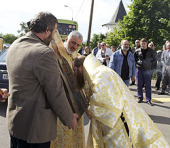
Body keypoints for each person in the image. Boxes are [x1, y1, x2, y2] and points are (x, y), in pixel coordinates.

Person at [6, 12, 78, 148]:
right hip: (35, 130)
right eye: (55, 31)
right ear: (47, 30)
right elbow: (55, 91)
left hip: (15, 123)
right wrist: (69, 118)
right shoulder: (44, 53)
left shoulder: (15, 45)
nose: (53, 37)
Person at [72, 54, 169, 148]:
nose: (74, 73)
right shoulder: (99, 72)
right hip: (116, 120)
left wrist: (89, 109)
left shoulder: (99, 74)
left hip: (117, 124)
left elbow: (105, 105)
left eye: (74, 70)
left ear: (81, 67)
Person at [50, 31, 85, 148]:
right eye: (72, 42)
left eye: (77, 45)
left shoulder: (77, 57)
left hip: (76, 105)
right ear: (66, 40)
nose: (74, 47)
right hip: (61, 104)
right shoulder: (56, 53)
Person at [134, 38, 157, 106]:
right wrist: (138, 63)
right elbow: (135, 59)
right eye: (141, 44)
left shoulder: (151, 51)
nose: (142, 45)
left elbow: (155, 59)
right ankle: (140, 97)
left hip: (147, 70)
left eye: (144, 43)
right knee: (139, 84)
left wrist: (150, 65)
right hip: (139, 69)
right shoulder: (137, 51)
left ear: (147, 43)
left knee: (148, 85)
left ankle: (148, 99)